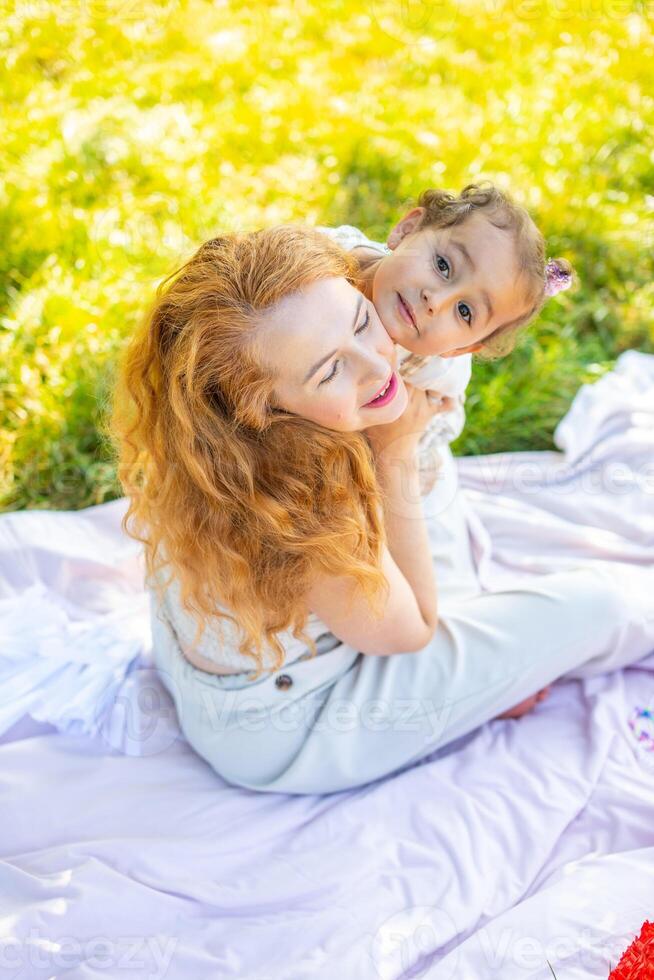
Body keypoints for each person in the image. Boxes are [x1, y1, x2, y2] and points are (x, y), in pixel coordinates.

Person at [109, 225, 654, 794]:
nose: (377, 366)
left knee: (426, 466)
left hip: (223, 674)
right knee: (602, 605)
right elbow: (412, 632)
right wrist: (394, 450)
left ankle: (477, 672)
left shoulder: (224, 442)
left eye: (362, 322)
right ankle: (478, 692)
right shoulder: (292, 507)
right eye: (331, 370)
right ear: (260, 411)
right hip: (294, 730)